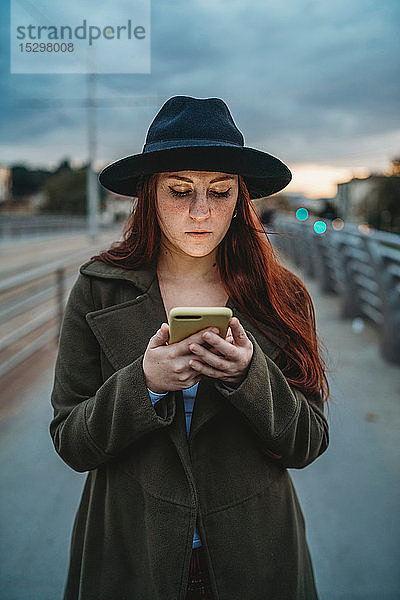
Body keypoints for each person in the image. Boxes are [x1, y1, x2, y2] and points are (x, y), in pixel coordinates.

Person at [49, 95, 330, 600]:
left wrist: (251, 378)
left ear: (239, 200)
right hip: (130, 553)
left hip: (258, 554)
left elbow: (307, 443)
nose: (201, 211)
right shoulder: (98, 288)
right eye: (180, 191)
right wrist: (145, 384)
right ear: (149, 196)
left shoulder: (281, 295)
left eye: (219, 193)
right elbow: (72, 441)